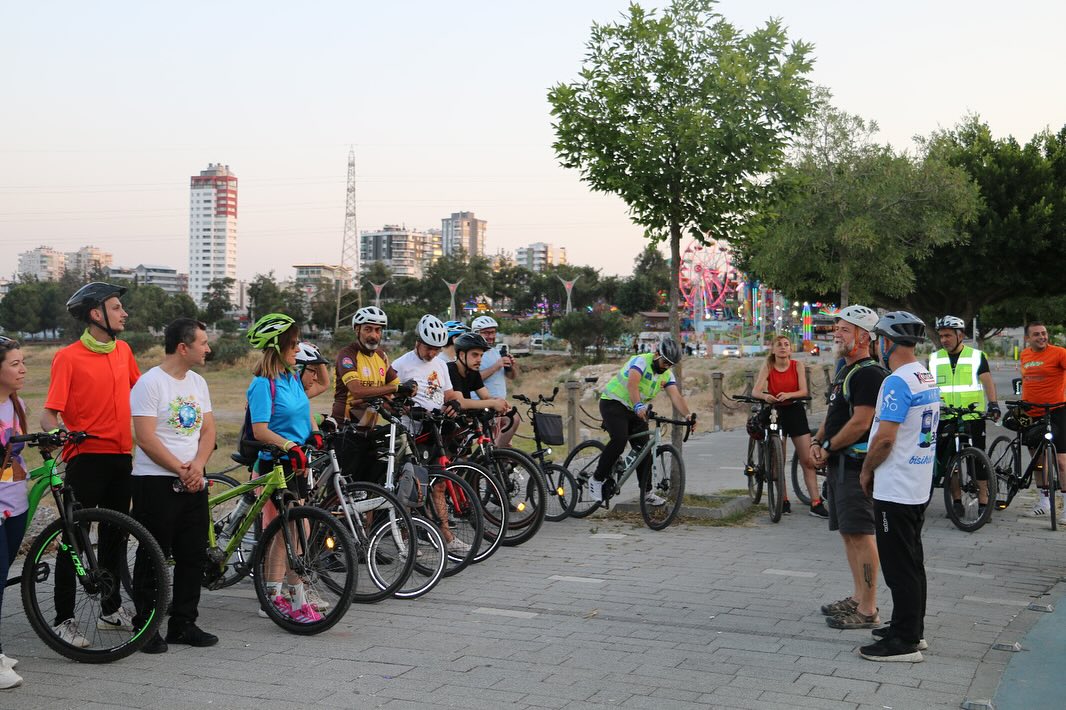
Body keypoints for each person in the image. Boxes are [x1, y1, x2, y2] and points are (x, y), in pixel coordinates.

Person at [41, 282, 141, 647]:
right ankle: (64, 618)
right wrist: (57, 434)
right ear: (97, 314)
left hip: (121, 457)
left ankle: (110, 610)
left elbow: (141, 395)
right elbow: (49, 413)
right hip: (85, 459)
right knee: (75, 540)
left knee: (116, 536)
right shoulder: (68, 357)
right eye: (117, 308)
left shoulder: (124, 351)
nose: (124, 313)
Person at [129, 318, 218, 654]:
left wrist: (197, 466)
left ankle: (183, 623)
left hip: (193, 481)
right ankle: (146, 627)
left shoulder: (198, 382)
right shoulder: (150, 383)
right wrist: (179, 469)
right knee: (153, 554)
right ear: (184, 347)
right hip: (155, 482)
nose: (208, 349)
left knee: (192, 555)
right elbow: (146, 438)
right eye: (203, 343)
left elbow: (208, 431)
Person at [859, 311, 939, 662]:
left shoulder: (896, 382)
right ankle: (911, 628)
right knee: (912, 562)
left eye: (878, 340)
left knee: (898, 567)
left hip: (896, 486)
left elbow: (884, 440)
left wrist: (865, 471)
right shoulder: (924, 375)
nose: (878, 346)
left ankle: (904, 641)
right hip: (917, 483)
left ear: (886, 342)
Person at [809, 304, 886, 631]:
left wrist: (827, 447)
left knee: (862, 534)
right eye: (837, 328)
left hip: (856, 467)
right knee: (849, 534)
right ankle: (858, 596)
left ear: (863, 336)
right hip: (841, 465)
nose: (836, 334)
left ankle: (869, 609)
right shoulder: (846, 368)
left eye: (844, 329)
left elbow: (860, 423)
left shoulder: (869, 372)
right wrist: (818, 438)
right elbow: (835, 413)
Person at [246, 313, 323, 622]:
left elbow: (304, 411)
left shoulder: (291, 378)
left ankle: (295, 594)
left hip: (297, 464)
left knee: (299, 529)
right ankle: (273, 596)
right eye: (293, 343)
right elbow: (260, 429)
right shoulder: (263, 384)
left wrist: (314, 431)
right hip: (274, 464)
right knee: (285, 531)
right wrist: (289, 445)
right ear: (276, 347)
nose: (297, 349)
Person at [392, 314, 470, 554]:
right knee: (411, 486)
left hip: (434, 428)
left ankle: (446, 535)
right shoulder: (400, 365)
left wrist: (455, 403)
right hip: (411, 432)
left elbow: (448, 393)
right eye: (428, 348)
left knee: (440, 484)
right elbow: (390, 398)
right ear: (418, 341)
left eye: (436, 349)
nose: (432, 354)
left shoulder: (439, 364)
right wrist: (404, 405)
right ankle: (405, 537)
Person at [589, 337, 696, 505]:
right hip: (614, 403)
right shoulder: (641, 361)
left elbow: (676, 396)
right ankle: (596, 478)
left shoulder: (666, 374)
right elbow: (633, 384)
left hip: (636, 410)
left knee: (645, 449)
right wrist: (638, 405)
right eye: (665, 362)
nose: (666, 367)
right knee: (619, 440)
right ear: (656, 354)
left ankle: (646, 493)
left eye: (670, 365)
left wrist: (688, 416)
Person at [330, 306, 412, 485]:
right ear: (357, 329)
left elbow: (397, 387)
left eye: (378, 330)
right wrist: (394, 390)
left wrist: (409, 394)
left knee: (370, 485)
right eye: (368, 329)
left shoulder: (381, 356)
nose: (373, 335)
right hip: (346, 428)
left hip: (368, 428)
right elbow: (357, 390)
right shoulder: (347, 354)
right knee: (345, 487)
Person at [929, 315, 999, 518]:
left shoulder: (976, 356)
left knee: (977, 461)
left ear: (960, 335)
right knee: (949, 462)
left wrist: (993, 403)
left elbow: (987, 381)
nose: (944, 340)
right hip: (945, 417)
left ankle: (984, 502)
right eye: (941, 336)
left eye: (948, 335)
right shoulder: (934, 358)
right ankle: (956, 501)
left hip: (971, 416)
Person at [753, 335, 822, 517]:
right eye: (779, 345)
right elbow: (756, 391)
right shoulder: (768, 366)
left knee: (807, 459)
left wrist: (790, 394)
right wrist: (766, 396)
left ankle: (816, 502)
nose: (783, 348)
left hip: (795, 410)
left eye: (786, 345)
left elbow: (804, 390)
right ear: (773, 350)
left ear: (790, 350)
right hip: (776, 411)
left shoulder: (796, 365)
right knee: (779, 460)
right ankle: (783, 500)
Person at [0, 337, 28, 688]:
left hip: (15, 504)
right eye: (14, 364)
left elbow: (17, 458)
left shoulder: (16, 403)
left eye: (23, 362)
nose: (23, 369)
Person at [1018, 321, 1066, 520]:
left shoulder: (1059, 353)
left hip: (1057, 410)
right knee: (1038, 459)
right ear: (1028, 338)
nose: (1042, 337)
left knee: (1062, 461)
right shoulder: (1025, 355)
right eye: (1036, 334)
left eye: (1044, 333)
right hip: (1031, 412)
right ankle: (1044, 501)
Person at [470, 316, 520, 447]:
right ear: (476, 333)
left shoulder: (496, 352)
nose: (491, 336)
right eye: (486, 333)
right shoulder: (473, 353)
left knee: (512, 422)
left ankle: (498, 455)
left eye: (493, 332)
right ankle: (496, 454)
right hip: (482, 403)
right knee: (512, 420)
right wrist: (496, 366)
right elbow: (473, 379)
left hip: (499, 403)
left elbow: (512, 377)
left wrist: (511, 366)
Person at [446, 333, 509, 414]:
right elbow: (460, 402)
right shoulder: (451, 370)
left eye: (481, 355)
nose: (479, 360)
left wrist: (501, 403)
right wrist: (493, 403)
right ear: (461, 355)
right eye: (475, 355)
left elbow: (486, 397)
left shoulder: (473, 371)